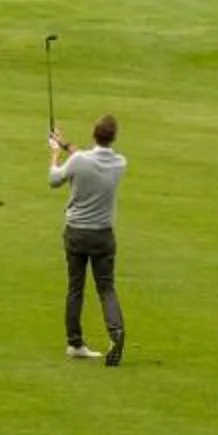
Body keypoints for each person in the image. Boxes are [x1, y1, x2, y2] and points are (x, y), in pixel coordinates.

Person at [47, 114, 127, 365]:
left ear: (94, 133)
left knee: (76, 288)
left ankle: (75, 343)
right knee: (106, 287)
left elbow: (54, 180)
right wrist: (67, 144)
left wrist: (55, 153)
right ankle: (115, 330)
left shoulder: (79, 161)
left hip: (77, 233)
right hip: (103, 234)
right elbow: (88, 160)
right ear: (113, 137)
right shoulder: (119, 163)